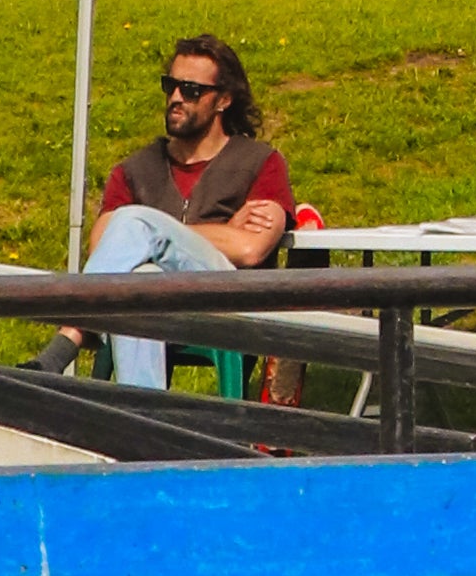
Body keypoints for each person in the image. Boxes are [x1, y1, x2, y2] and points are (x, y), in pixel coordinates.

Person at [43, 31, 293, 388]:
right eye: (170, 86)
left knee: (133, 221)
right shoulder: (135, 169)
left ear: (223, 100)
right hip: (151, 300)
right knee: (139, 279)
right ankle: (144, 416)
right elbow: (103, 249)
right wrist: (222, 231)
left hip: (227, 298)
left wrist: (156, 231)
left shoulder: (259, 162)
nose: (176, 98)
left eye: (191, 90)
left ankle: (73, 331)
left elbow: (251, 249)